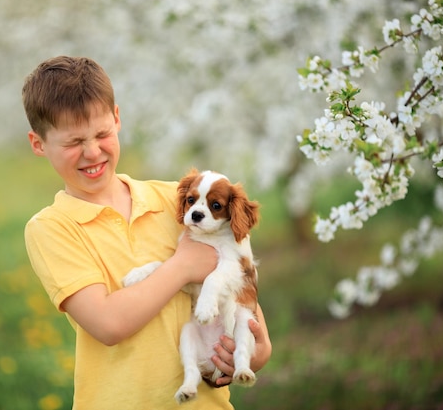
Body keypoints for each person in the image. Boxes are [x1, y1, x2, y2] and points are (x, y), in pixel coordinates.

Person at [22, 56, 272, 409]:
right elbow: (109, 323)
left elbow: (243, 281)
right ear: (38, 143)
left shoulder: (178, 201)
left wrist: (257, 350)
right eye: (73, 142)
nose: (92, 152)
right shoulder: (52, 228)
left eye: (103, 134)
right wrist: (183, 265)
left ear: (118, 119)